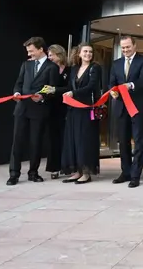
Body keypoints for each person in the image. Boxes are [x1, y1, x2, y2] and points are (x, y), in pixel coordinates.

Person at [7, 37, 59, 186]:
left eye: (31, 51)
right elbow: (19, 83)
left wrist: (42, 97)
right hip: (22, 108)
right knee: (17, 142)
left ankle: (33, 173)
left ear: (41, 49)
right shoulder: (26, 65)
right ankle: (14, 174)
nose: (29, 54)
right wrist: (16, 93)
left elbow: (52, 89)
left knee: (35, 142)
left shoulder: (52, 67)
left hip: (39, 109)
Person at [109, 35, 143, 188]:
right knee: (123, 142)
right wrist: (113, 92)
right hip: (121, 107)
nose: (125, 50)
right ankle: (125, 172)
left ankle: (135, 175)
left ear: (134, 46)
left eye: (128, 47)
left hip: (138, 107)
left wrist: (130, 85)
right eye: (123, 48)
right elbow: (112, 83)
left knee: (139, 142)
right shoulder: (116, 64)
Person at [57, 43, 102, 184]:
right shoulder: (75, 68)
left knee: (85, 140)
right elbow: (70, 86)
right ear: (79, 53)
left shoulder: (95, 68)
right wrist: (57, 91)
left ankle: (86, 172)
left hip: (87, 109)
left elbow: (92, 86)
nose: (88, 54)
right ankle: (77, 171)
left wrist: (73, 93)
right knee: (73, 140)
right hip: (73, 109)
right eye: (85, 51)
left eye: (90, 52)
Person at [45, 44, 70, 180]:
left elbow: (70, 87)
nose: (49, 58)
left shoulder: (69, 70)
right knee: (52, 138)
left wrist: (56, 90)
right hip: (52, 107)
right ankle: (53, 168)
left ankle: (66, 166)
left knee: (65, 138)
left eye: (51, 55)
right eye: (48, 55)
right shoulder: (49, 69)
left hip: (66, 107)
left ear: (59, 55)